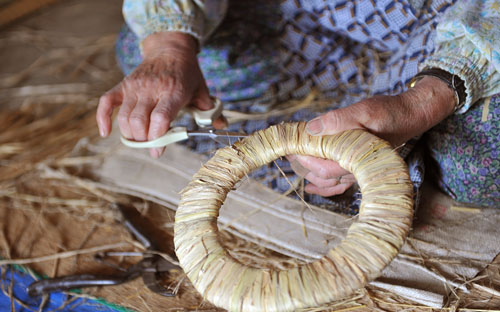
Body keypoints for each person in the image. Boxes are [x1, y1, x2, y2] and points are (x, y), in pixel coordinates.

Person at [96, 0, 499, 213]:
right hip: (302, 19)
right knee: (140, 49)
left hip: (454, 27)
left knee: (482, 168)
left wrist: (423, 101)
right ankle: (387, 133)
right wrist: (169, 46)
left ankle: (412, 137)